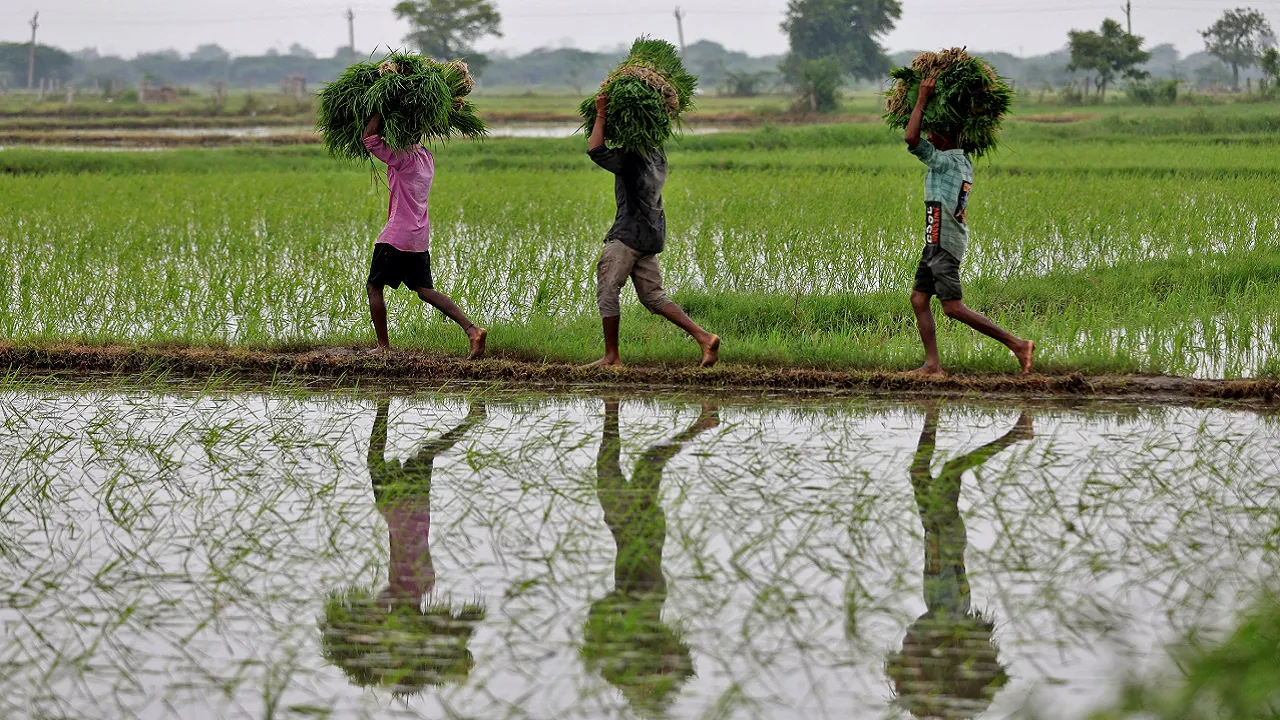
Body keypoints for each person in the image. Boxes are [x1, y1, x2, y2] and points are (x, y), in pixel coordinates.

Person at [318, 398, 488, 694]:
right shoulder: (414, 588)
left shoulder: (414, 589)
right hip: (407, 511)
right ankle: (471, 418)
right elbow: (377, 612)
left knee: (391, 458)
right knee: (420, 455)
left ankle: (384, 406)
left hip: (399, 513)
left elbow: (377, 612)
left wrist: (373, 642)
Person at [884, 406, 1033, 718]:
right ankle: (1015, 434)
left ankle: (932, 415)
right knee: (950, 470)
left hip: (938, 534)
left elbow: (914, 645)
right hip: (944, 534)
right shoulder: (949, 609)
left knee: (920, 472)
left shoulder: (945, 610)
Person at [579, 399, 719, 713]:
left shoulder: (622, 657)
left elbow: (596, 620)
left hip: (625, 534)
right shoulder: (655, 645)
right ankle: (702, 423)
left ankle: (612, 408)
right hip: (641, 544)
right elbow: (680, 659)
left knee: (609, 464)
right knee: (648, 461)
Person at [904, 77, 1034, 375]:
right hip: (936, 239)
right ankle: (932, 364)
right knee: (919, 299)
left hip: (944, 241)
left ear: (948, 135)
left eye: (934, 131)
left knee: (952, 308)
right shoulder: (959, 159)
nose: (929, 135)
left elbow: (911, 139)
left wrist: (922, 98)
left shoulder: (948, 161)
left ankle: (1018, 344)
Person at [585, 92, 720, 368]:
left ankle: (612, 357)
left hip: (627, 235)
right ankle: (704, 338)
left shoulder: (632, 156)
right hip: (651, 234)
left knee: (608, 291)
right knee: (653, 296)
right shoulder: (657, 154)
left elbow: (595, 150)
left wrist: (601, 113)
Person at [362, 112, 486, 359]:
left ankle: (383, 348)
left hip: (396, 236)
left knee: (374, 286)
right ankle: (472, 330)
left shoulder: (402, 158)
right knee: (424, 289)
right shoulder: (426, 156)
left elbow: (370, 140)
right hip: (418, 237)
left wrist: (378, 110)